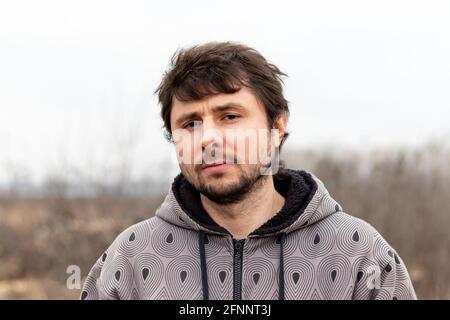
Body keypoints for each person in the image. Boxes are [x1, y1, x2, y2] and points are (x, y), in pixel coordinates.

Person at [80, 41, 417, 300]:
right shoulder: (131, 260)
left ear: (277, 126)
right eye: (190, 123)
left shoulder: (359, 255)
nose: (208, 138)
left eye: (229, 116)